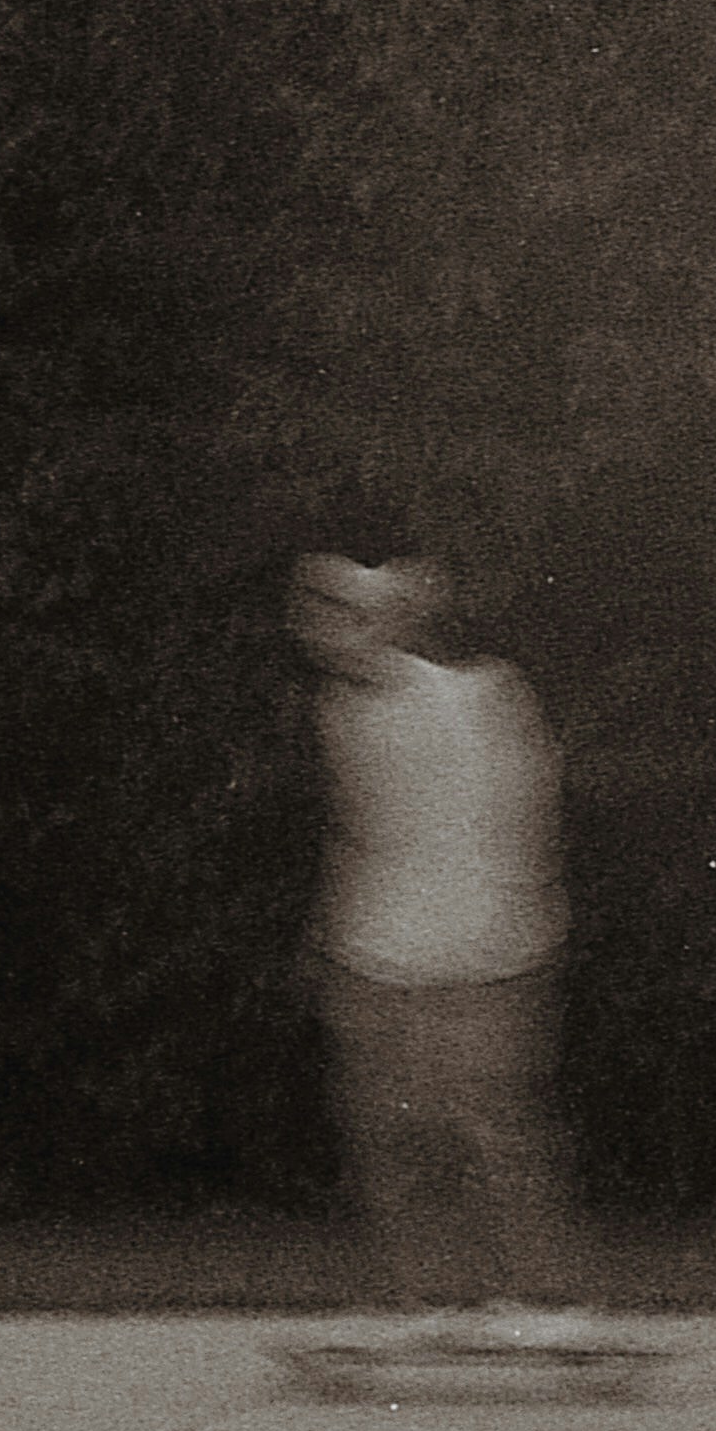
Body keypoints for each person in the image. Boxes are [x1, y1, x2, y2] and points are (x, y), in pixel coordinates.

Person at [290, 551, 601, 1351]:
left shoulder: (482, 694)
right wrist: (333, 936)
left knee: (494, 1124)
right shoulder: (339, 711)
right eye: (316, 621)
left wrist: (532, 911)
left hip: (486, 945)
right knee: (391, 1131)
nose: (324, 637)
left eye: (340, 618)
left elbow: (527, 804)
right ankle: (426, 1300)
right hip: (380, 947)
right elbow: (361, 831)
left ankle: (543, 1298)